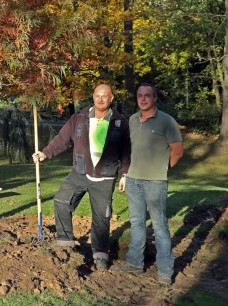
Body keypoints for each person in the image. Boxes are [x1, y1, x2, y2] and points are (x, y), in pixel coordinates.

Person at [32, 84, 131, 270]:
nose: (100, 99)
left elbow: (127, 151)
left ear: (111, 99)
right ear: (93, 97)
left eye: (104, 96)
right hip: (79, 172)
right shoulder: (79, 117)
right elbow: (62, 139)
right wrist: (45, 153)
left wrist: (125, 174)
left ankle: (100, 255)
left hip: (105, 177)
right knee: (61, 201)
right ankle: (65, 245)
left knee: (101, 217)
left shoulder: (120, 122)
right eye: (97, 96)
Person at [114, 84, 183, 285]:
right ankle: (135, 264)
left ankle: (165, 271)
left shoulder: (167, 121)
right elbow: (129, 151)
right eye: (140, 96)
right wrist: (126, 175)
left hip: (155, 182)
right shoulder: (132, 121)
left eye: (147, 96)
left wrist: (161, 169)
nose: (143, 99)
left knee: (160, 226)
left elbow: (177, 151)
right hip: (133, 180)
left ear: (155, 98)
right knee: (136, 223)